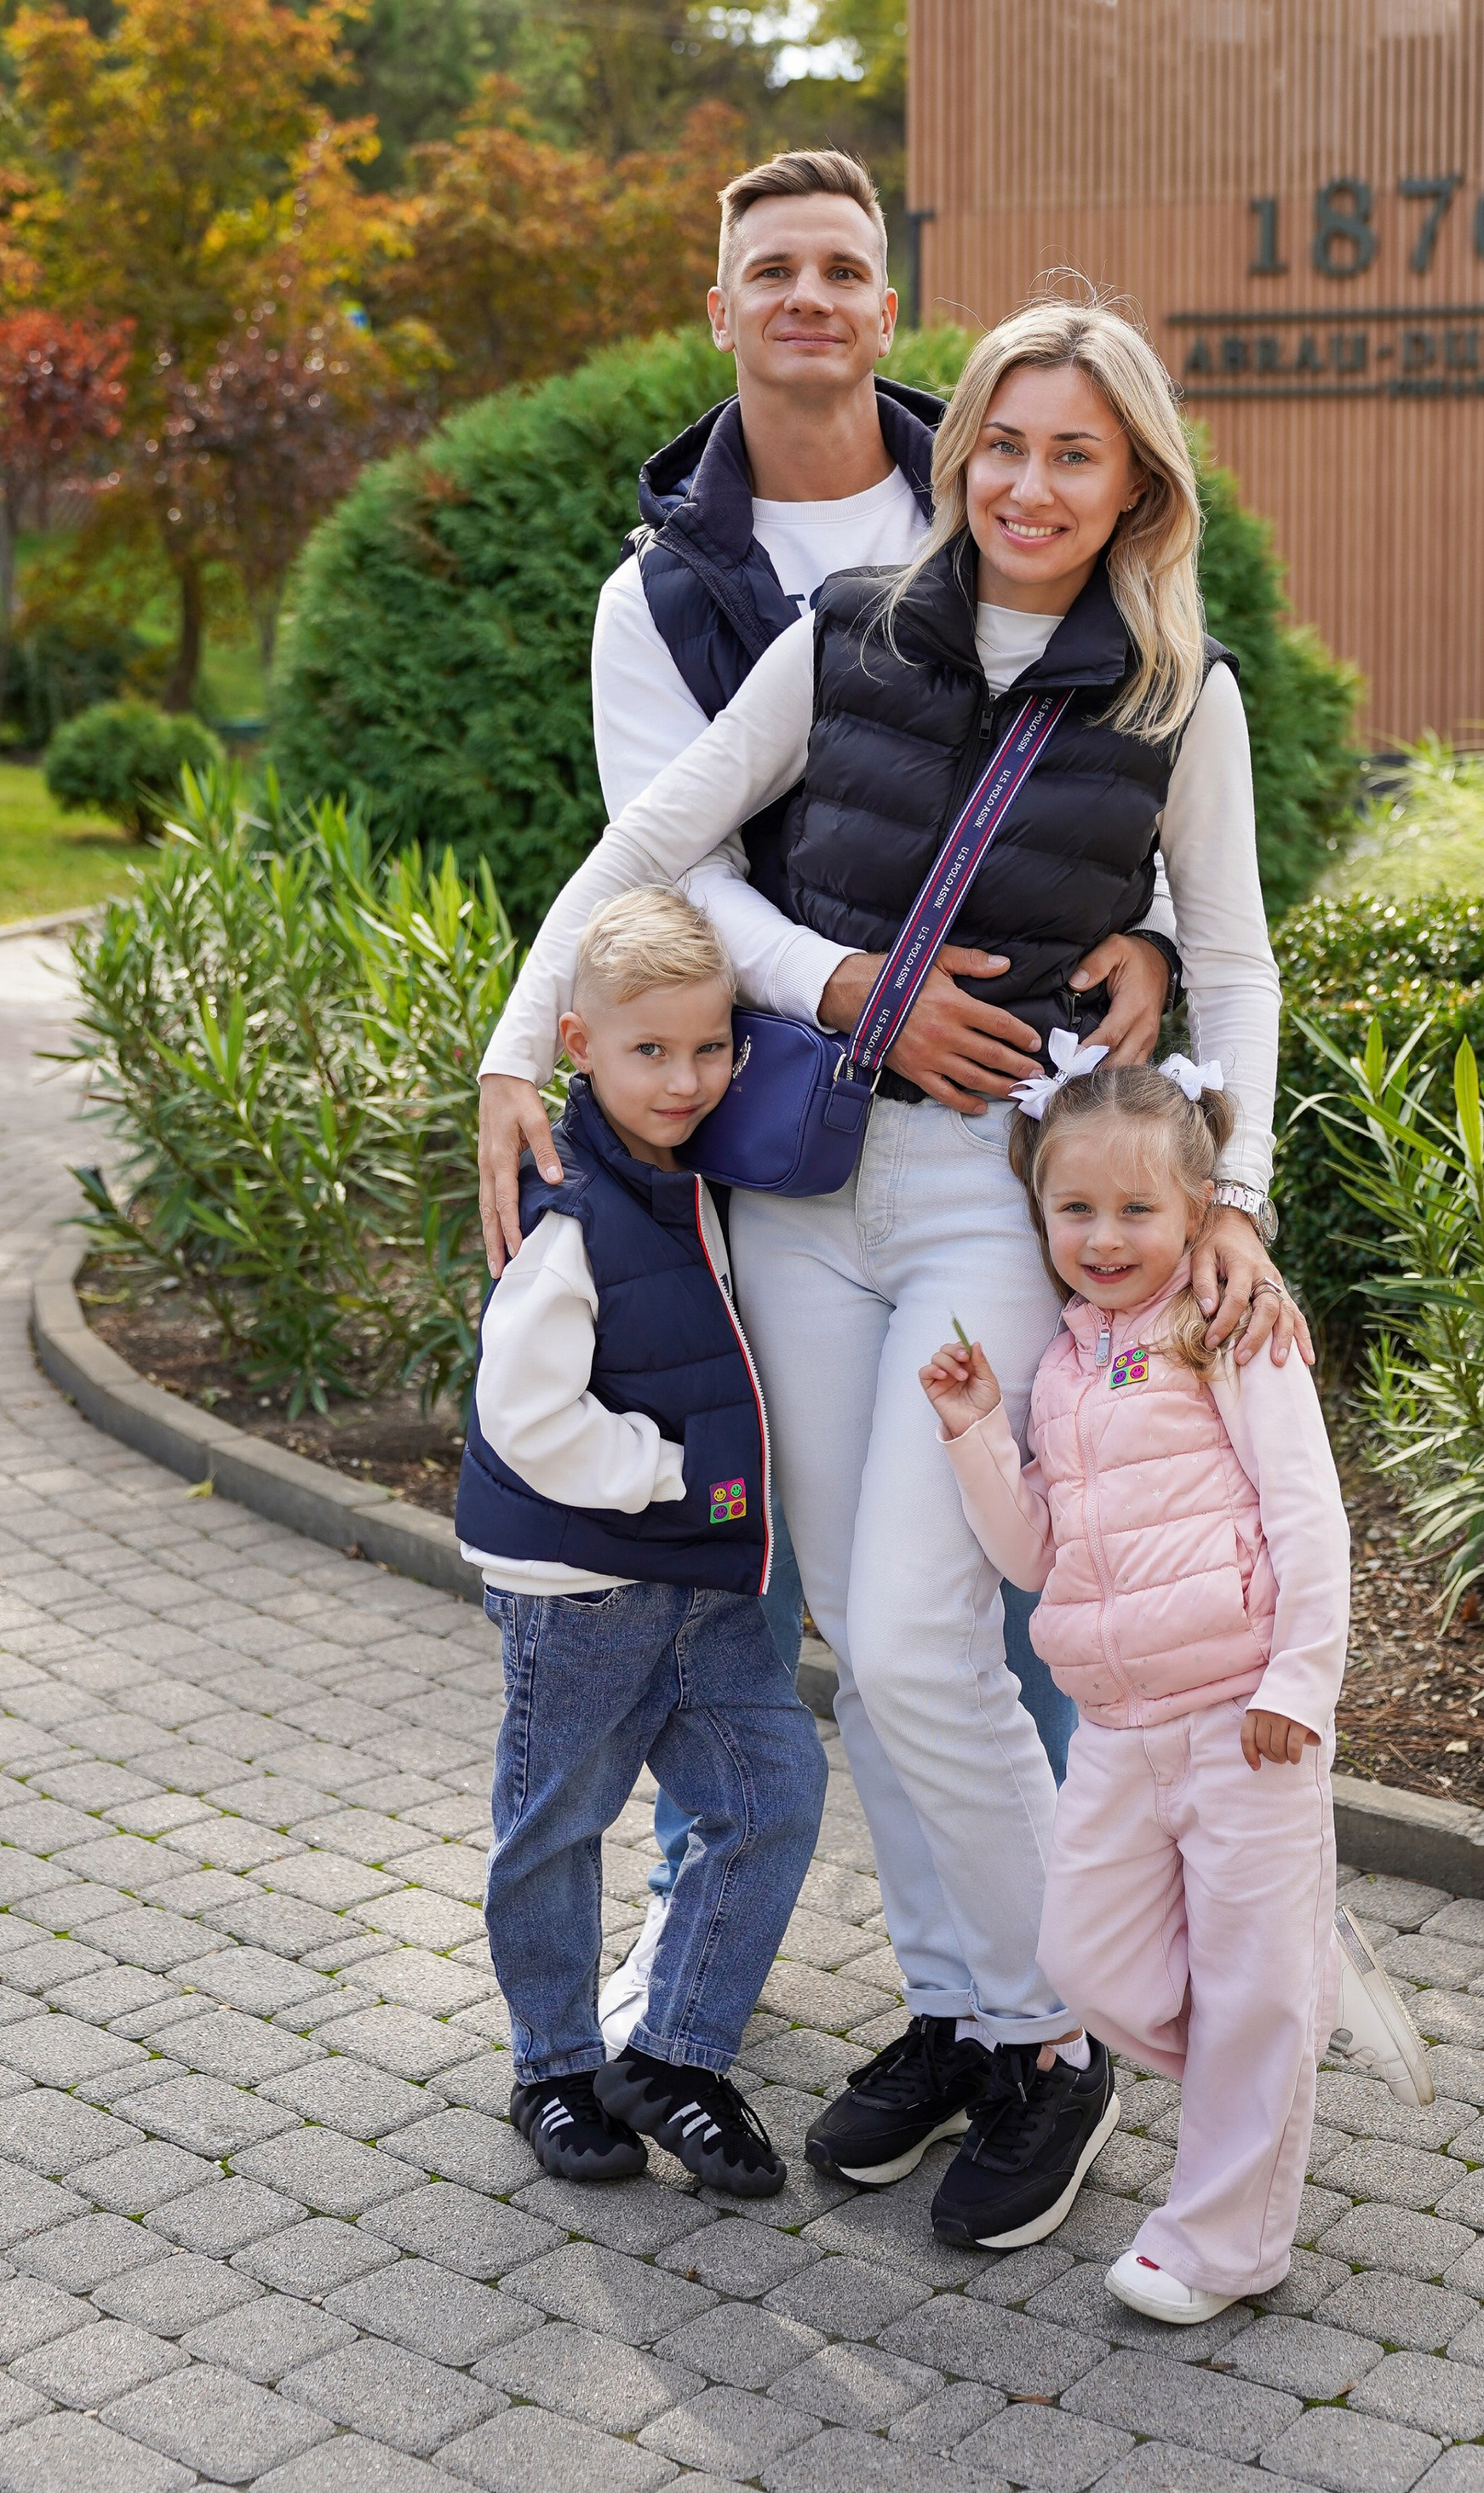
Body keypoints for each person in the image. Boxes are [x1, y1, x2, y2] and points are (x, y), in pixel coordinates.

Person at [476, 298, 1307, 2251]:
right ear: (962, 462)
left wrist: (1240, 1190)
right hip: (800, 1187)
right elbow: (661, 850)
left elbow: (1239, 958)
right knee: (859, 1631)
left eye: (1074, 455)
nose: (1029, 484)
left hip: (981, 1205)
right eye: (1003, 445)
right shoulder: (846, 627)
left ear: (1135, 485)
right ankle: (964, 2014)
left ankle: (1069, 2026)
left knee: (935, 1639)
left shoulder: (1181, 691)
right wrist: (527, 1047)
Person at [924, 1057, 1433, 2321]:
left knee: (1254, 1996)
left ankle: (1223, 2241)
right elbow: (1034, 1557)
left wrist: (1302, 1688)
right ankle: (1269, 2044)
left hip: (1245, 1718)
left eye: (1137, 1212)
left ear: (1202, 1213)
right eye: (1074, 1210)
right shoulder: (1057, 1366)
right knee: (1083, 1961)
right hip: (1116, 1726)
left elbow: (1310, 1518)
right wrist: (980, 1431)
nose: (1102, 1239)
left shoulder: (1232, 1333)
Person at [457, 886, 827, 2198]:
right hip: (586, 1598)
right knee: (554, 1828)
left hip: (702, 1588)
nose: (686, 1079)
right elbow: (524, 1415)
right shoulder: (568, 1217)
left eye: (711, 1047)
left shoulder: (703, 1177)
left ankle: (673, 2055)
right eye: (649, 1052)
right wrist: (672, 1476)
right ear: (579, 1048)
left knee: (773, 1795)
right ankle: (552, 2067)